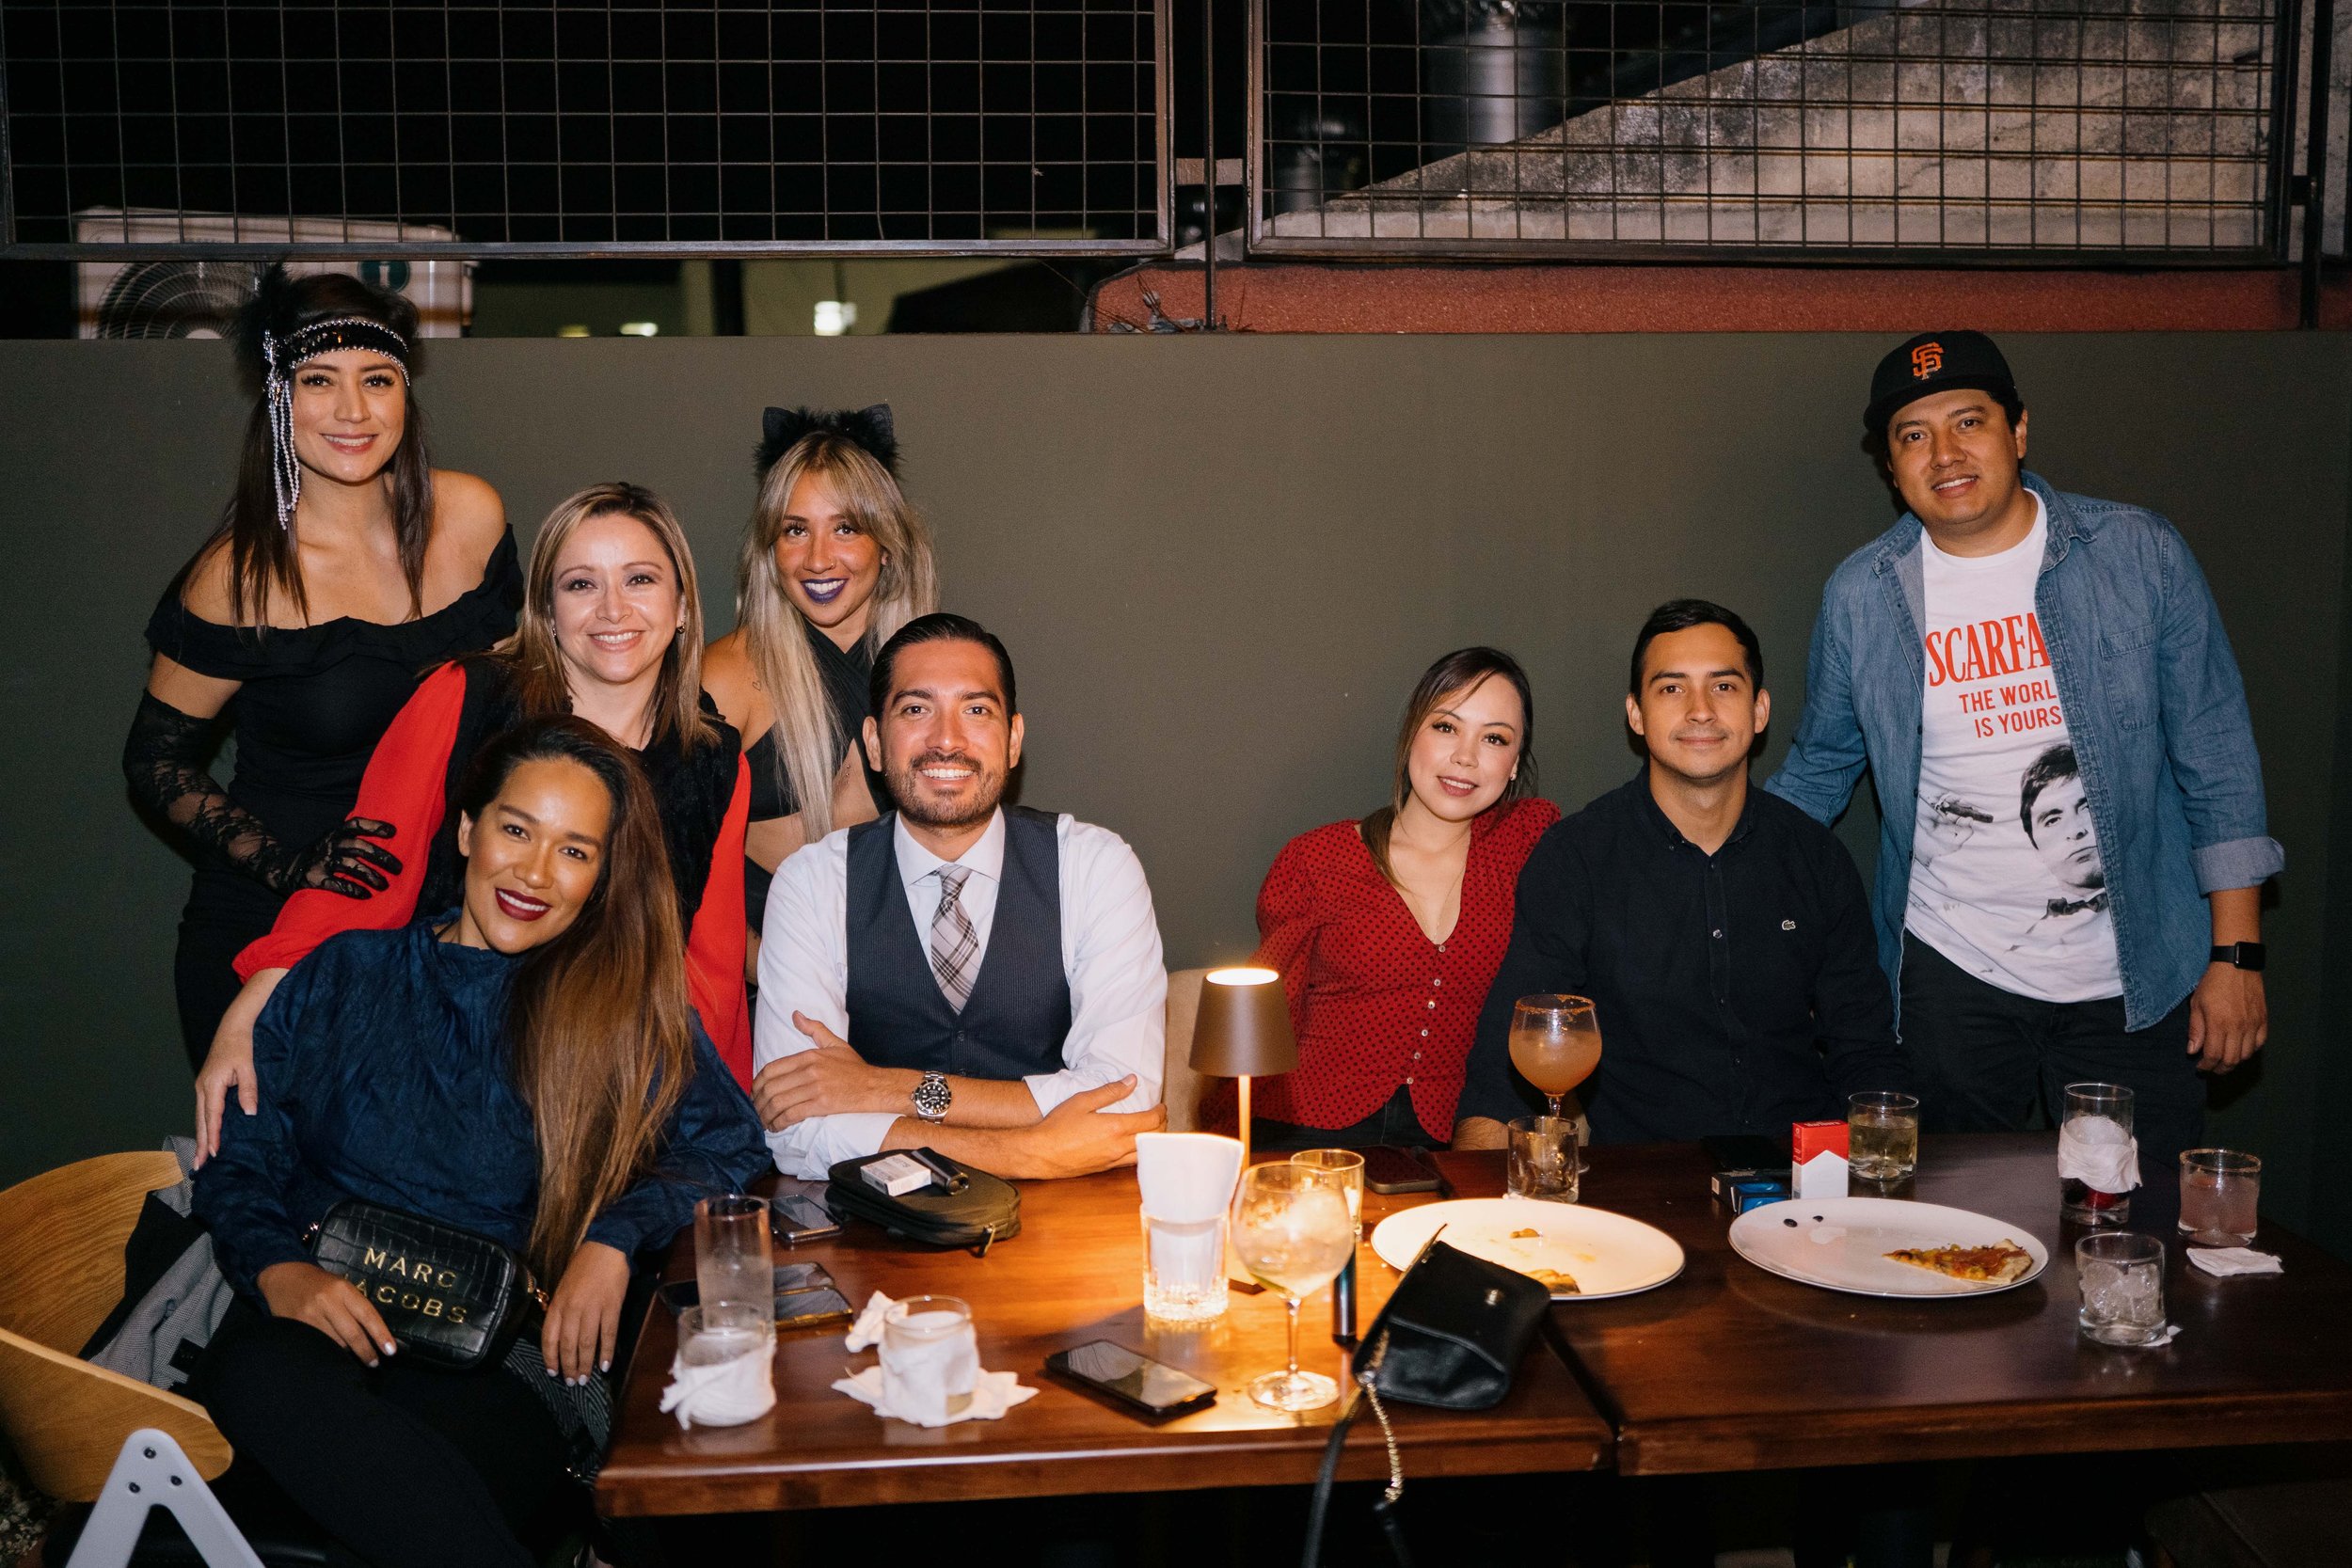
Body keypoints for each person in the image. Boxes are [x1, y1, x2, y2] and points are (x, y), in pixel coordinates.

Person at [189, 717, 771, 1568]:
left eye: (575, 851)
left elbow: (731, 1146)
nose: (534, 872)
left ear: (602, 876)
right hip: (315, 1321)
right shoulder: (350, 970)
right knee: (259, 1376)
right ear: (467, 830)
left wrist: (613, 1239)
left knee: (405, 1502)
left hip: (496, 1359)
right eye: (516, 830)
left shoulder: (622, 1018)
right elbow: (237, 1158)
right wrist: (282, 1270)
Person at [1765, 331, 2280, 1177]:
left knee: (2135, 1223)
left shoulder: (2138, 554)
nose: (1945, 453)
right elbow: (1819, 768)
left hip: (2140, 978)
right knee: (1951, 1228)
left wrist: (2236, 955)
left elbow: (2217, 759)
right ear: (1891, 465)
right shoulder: (1862, 595)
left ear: (2019, 430)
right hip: (1950, 982)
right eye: (1914, 434)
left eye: (1969, 421)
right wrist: (1712, 865)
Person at [195, 483, 752, 1161]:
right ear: (546, 610)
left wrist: (708, 1134)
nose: (613, 609)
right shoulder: (467, 696)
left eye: (640, 579)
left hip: (599, 1090)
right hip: (433, 1067)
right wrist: (256, 1006)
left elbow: (706, 970)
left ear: (683, 605)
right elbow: (368, 872)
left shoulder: (714, 760)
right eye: (581, 584)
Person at [126, 264, 516, 1069]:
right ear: (278, 396)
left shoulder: (472, 517)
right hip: (275, 939)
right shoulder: (239, 576)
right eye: (318, 380)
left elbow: (518, 698)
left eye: (376, 379)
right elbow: (154, 760)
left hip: (445, 925)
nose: (352, 411)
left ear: (405, 393)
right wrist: (287, 864)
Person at [1455, 601, 1905, 1146]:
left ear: (1760, 710)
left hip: (1799, 1172)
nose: (1700, 711)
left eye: (1724, 686)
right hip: (1640, 1179)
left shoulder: (1816, 858)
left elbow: (1866, 1051)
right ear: (1636, 714)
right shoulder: (1576, 858)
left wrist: (1880, 1171)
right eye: (1671, 688)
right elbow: (1510, 1061)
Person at [753, 612, 1167, 1179]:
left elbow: (1125, 1100)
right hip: (881, 1222)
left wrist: (884, 1089)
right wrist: (1024, 1152)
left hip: (1072, 1218)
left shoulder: (1094, 866)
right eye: (915, 710)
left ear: (1013, 740)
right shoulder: (810, 884)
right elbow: (795, 1128)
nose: (946, 740)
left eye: (976, 711)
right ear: (874, 742)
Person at [1207, 648, 1558, 1151]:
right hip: (1309, 1127)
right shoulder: (1318, 859)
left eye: (1494, 738)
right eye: (1446, 727)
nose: (1465, 756)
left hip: (1452, 1139)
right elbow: (1268, 1016)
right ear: (1412, 733)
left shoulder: (1527, 846)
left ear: (1515, 763)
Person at [704, 404, 940, 970]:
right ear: (770, 548)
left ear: (886, 544)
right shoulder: (725, 676)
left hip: (903, 981)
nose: (817, 559)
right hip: (760, 985)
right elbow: (666, 872)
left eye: (845, 528)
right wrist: (775, 974)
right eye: (795, 530)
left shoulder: (934, 671)